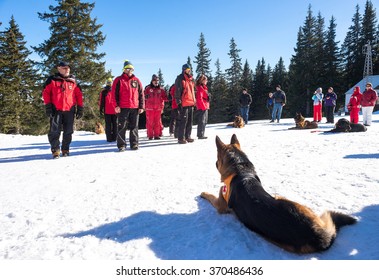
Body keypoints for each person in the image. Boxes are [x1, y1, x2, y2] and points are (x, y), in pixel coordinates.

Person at [42, 61, 84, 159]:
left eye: (68, 68)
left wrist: (80, 108)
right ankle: (55, 150)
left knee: (68, 131)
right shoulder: (52, 80)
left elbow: (79, 95)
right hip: (55, 109)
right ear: (59, 68)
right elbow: (46, 93)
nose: (67, 70)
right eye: (64, 68)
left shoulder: (73, 81)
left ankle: (65, 149)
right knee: (54, 131)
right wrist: (48, 106)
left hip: (70, 110)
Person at [111, 60, 144, 151]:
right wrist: (116, 105)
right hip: (123, 107)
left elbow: (141, 94)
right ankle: (121, 145)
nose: (129, 71)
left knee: (134, 127)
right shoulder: (118, 80)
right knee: (122, 127)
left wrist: (141, 106)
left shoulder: (136, 80)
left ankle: (134, 144)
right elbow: (113, 94)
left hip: (135, 107)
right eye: (128, 69)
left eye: (131, 69)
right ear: (124, 69)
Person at [144, 74, 167, 140]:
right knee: (150, 122)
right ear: (152, 81)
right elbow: (143, 97)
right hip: (149, 108)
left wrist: (170, 97)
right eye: (154, 80)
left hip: (158, 108)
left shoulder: (161, 89)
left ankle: (157, 135)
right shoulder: (148, 88)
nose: (156, 82)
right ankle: (150, 135)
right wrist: (144, 106)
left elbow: (164, 98)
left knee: (157, 122)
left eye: (157, 80)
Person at [99, 78, 117, 142]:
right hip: (109, 110)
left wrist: (101, 108)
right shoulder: (104, 91)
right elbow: (102, 101)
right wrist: (101, 108)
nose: (110, 84)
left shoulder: (115, 90)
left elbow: (101, 101)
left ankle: (113, 138)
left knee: (113, 125)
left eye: (110, 82)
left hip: (114, 110)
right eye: (109, 82)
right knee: (111, 125)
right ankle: (110, 138)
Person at [195, 74, 210, 139]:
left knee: (205, 121)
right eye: (206, 80)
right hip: (202, 106)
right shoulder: (200, 88)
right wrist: (203, 106)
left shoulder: (204, 87)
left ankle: (202, 134)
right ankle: (200, 135)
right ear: (202, 80)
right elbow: (199, 98)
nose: (207, 81)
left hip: (205, 105)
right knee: (202, 121)